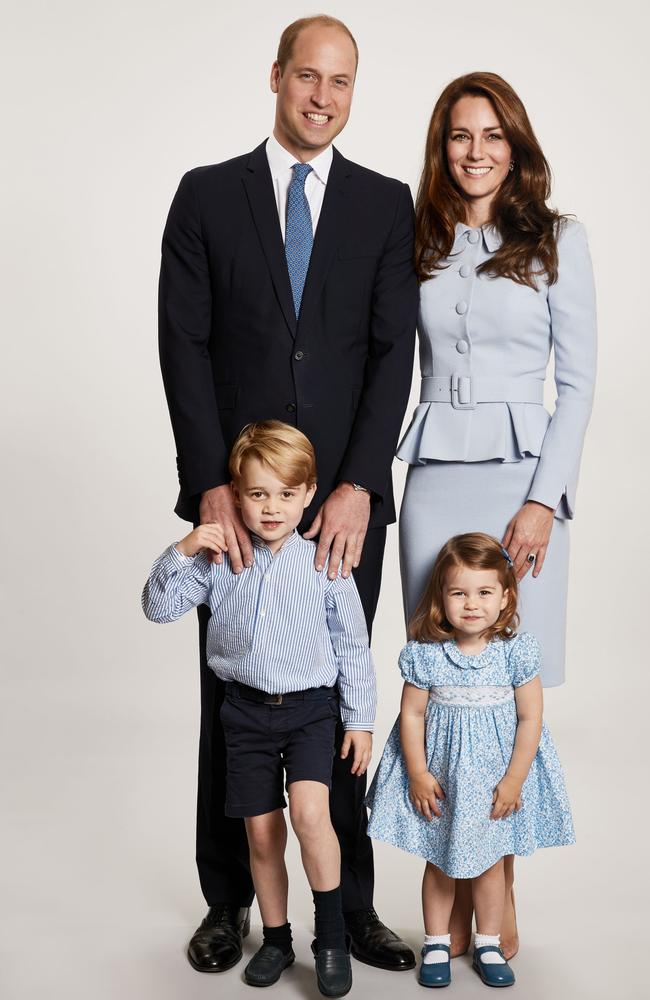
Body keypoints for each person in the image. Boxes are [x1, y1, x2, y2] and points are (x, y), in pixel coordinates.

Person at [157, 14, 418, 972]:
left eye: (341, 82)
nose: (322, 97)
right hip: (241, 503)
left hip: (340, 511)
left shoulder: (387, 206)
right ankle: (229, 898)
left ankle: (344, 910)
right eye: (307, 76)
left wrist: (358, 484)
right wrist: (209, 490)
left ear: (354, 91)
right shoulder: (207, 196)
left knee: (340, 700)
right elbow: (181, 345)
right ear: (276, 77)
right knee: (232, 700)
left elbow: (396, 354)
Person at [397, 71, 596, 957]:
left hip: (522, 480)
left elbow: (580, 383)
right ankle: (450, 909)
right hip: (435, 475)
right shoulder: (418, 239)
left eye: (492, 136)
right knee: (444, 693)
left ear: (516, 146)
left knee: (508, 689)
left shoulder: (559, 239)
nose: (475, 152)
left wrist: (543, 500)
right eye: (458, 136)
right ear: (442, 149)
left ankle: (498, 894)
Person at [143, 421, 376, 996]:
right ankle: (276, 938)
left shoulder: (324, 563)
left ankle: (331, 937)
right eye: (257, 494)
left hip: (311, 712)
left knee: (310, 816)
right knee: (263, 833)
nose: (272, 508)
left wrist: (361, 721)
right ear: (237, 493)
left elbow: (353, 646)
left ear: (309, 492)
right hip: (243, 712)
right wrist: (184, 548)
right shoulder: (222, 559)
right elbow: (157, 607)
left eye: (286, 494)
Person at [366, 533, 575, 989]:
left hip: (496, 784)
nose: (472, 604)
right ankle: (437, 941)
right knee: (439, 862)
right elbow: (412, 715)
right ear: (441, 597)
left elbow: (530, 717)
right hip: (443, 781)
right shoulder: (426, 655)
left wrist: (515, 778)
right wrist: (418, 774)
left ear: (505, 597)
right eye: (459, 593)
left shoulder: (515, 653)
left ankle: (488, 940)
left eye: (484, 593)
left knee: (491, 864)